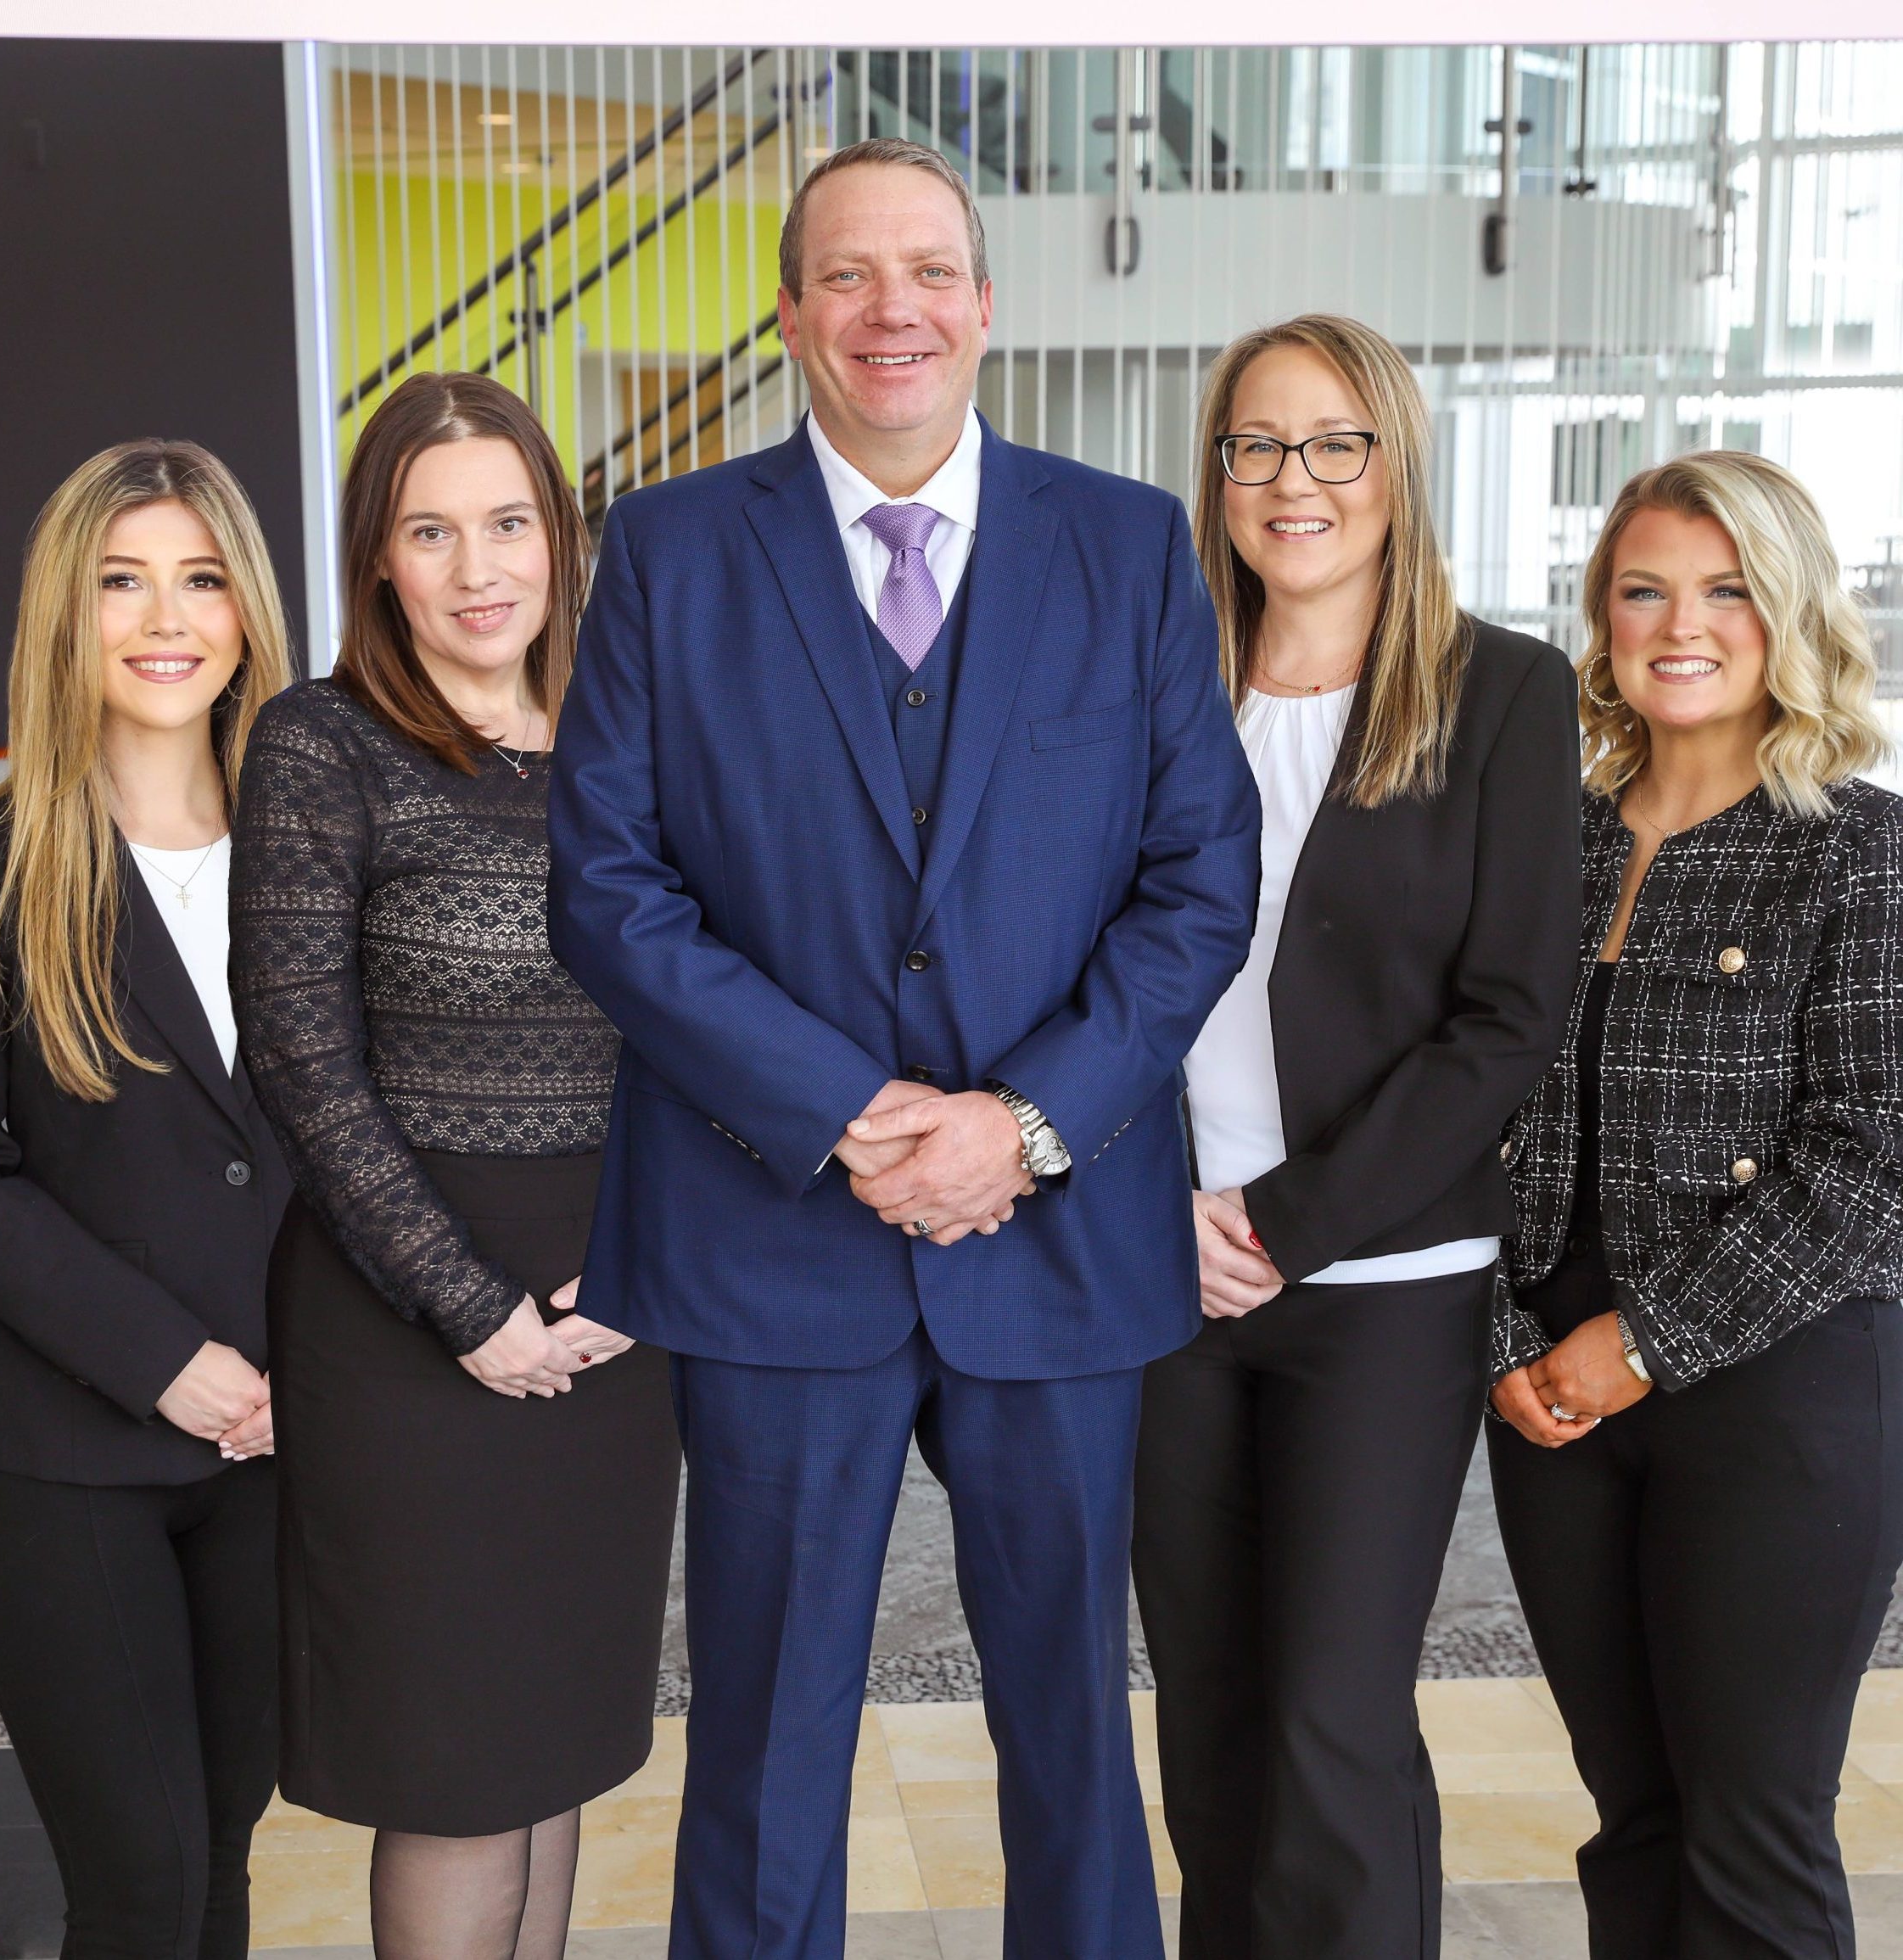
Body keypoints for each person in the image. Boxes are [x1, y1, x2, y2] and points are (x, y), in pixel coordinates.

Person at [546, 137, 1259, 1960]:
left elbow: (1200, 879)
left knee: (1074, 1739)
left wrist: (1025, 1121)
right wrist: (849, 1110)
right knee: (763, 1748)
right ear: (791, 313)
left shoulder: (1126, 544)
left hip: (1058, 1235)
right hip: (772, 1237)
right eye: (849, 275)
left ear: (986, 304)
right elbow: (609, 889)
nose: (894, 310)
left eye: (929, 270)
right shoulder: (669, 550)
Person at [1128, 314, 1584, 1960]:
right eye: (1256, 444)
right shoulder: (1153, 683)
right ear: (1217, 474)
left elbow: (1509, 1017)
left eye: (1336, 443)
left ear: (1397, 464)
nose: (1293, 479)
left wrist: (1287, 1219)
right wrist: (1159, 1208)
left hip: (1385, 1280)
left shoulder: (1504, 692)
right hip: (1164, 1274)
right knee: (1208, 1719)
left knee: (1333, 1720)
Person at [230, 372, 680, 1960]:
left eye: (508, 522)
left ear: (563, 536)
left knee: (552, 1749)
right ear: (378, 556)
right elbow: (300, 1060)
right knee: (460, 1771)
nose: (479, 567)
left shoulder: (636, 737)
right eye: (431, 531)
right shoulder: (321, 742)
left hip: (614, 1306)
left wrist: (643, 1263)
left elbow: (706, 1027)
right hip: (404, 1323)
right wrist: (472, 1305)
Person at [1488, 451, 1903, 1959]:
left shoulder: (1861, 848)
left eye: (1727, 590)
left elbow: (1874, 1161)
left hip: (1777, 1388)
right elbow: (1460, 1102)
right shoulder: (1543, 836)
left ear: (1788, 612)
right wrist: (1502, 1342)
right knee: (1635, 1814)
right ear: (1602, 618)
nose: (1682, 625)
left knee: (1753, 1825)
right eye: (1644, 590)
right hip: (1548, 1393)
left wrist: (1642, 1344)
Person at [0, 440, 294, 1958]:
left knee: (220, 1854)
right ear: (63, 614)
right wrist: (167, 1360)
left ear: (246, 609)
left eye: (202, 578)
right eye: (121, 581)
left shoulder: (317, 852)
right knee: (140, 1888)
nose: (167, 619)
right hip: (68, 1459)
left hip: (283, 1451)